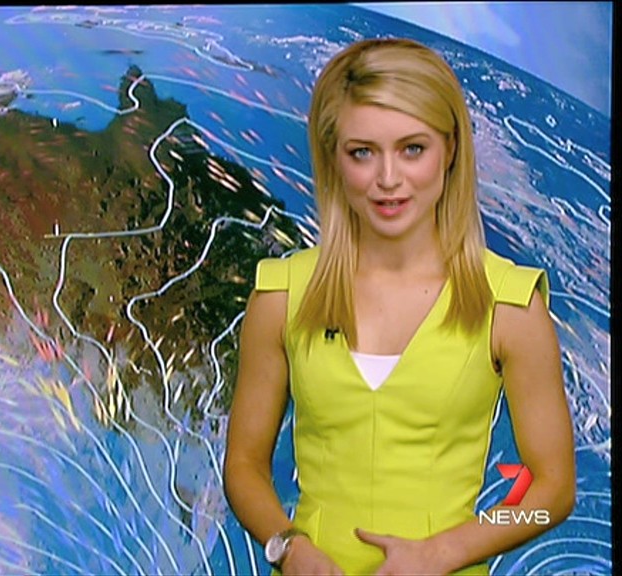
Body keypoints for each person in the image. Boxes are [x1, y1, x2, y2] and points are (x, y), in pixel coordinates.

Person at [223, 38, 575, 575]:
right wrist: (287, 545)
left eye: (412, 149)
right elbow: (244, 466)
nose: (388, 179)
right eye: (362, 152)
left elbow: (552, 492)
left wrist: (441, 552)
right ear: (334, 158)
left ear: (450, 150)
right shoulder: (282, 295)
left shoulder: (510, 306)